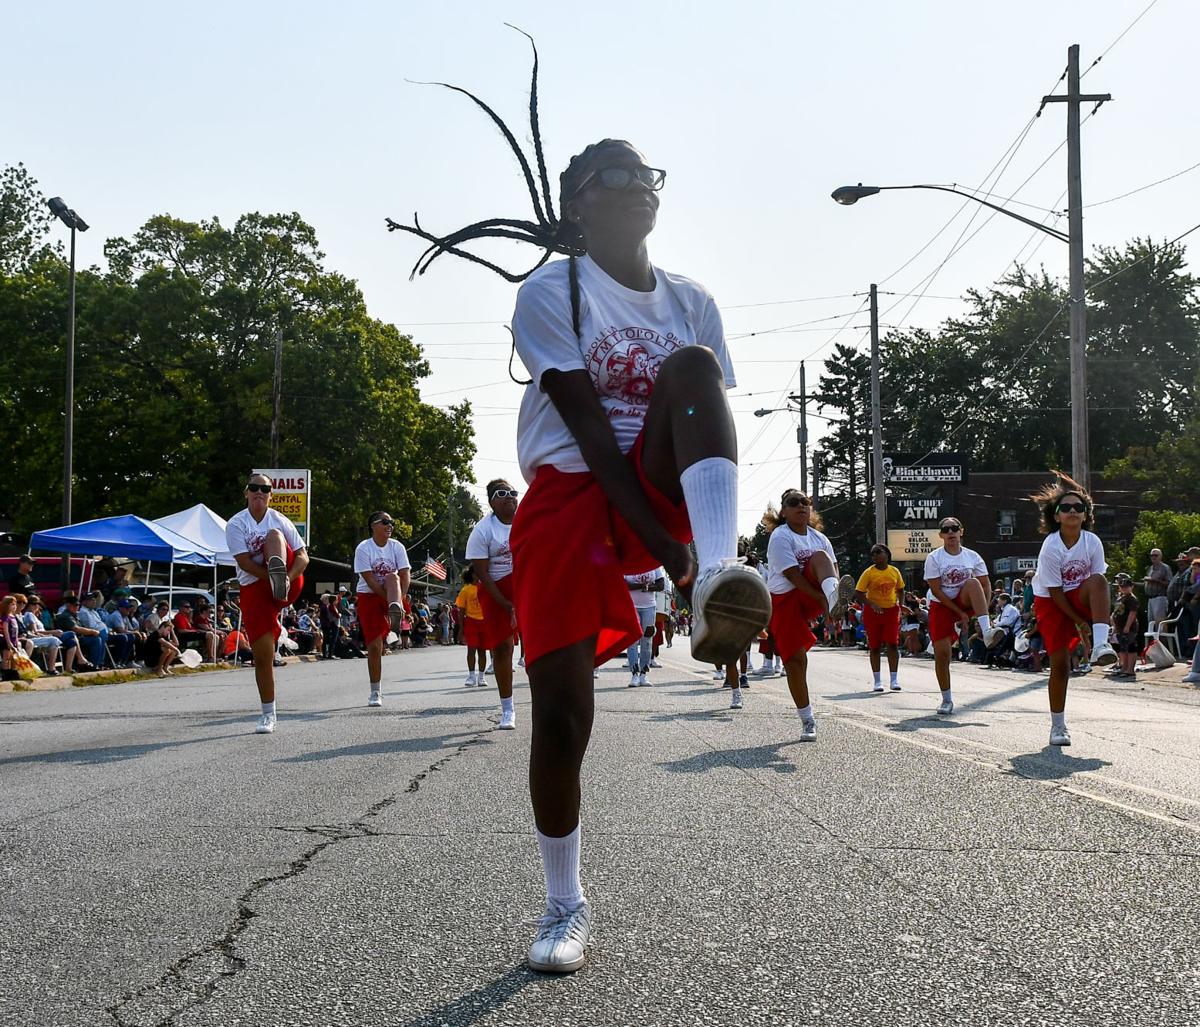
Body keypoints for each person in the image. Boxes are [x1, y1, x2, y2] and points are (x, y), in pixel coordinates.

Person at [394, 71, 783, 970]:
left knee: (689, 368)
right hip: (574, 487)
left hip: (653, 476)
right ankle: (562, 903)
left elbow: (702, 426)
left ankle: (726, 573)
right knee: (563, 713)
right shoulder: (551, 291)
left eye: (649, 172)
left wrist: (701, 558)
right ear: (579, 202)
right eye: (616, 173)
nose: (639, 183)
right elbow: (585, 430)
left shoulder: (692, 300)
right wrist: (666, 557)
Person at [1029, 473, 1116, 747]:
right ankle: (1058, 726)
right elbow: (1055, 593)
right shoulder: (1051, 547)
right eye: (1066, 507)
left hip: (1077, 595)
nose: (1073, 511)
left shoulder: (1092, 542)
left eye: (1079, 507)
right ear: (1056, 516)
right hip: (1052, 602)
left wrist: (1096, 623)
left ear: (1085, 514)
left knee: (1100, 579)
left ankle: (1102, 645)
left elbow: (1097, 588)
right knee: (1060, 664)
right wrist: (1081, 623)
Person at [225, 473, 309, 734]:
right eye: (254, 487)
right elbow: (244, 563)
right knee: (262, 655)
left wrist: (284, 580)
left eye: (265, 488)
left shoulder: (280, 520)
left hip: (288, 579)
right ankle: (268, 713)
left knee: (274, 535)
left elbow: (304, 557)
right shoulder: (236, 524)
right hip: (255, 586)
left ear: (271, 494)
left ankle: (279, 575)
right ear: (246, 492)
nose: (259, 492)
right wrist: (270, 580)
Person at [761, 489, 852, 726]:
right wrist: (821, 600)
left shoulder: (819, 538)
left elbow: (832, 568)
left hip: (812, 593)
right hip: (786, 598)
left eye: (805, 501)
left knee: (821, 557)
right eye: (794, 502)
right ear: (783, 511)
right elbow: (792, 575)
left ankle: (835, 600)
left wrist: (831, 600)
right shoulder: (781, 536)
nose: (801, 505)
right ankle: (807, 718)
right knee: (796, 661)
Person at [922, 517, 1003, 716]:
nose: (951, 532)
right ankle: (946, 699)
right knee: (943, 655)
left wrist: (981, 614)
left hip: (964, 599)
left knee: (974, 583)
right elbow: (937, 590)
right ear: (941, 535)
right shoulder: (934, 558)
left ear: (961, 531)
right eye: (946, 529)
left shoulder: (972, 556)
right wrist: (958, 614)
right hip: (942, 604)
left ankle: (987, 633)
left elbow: (985, 585)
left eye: (954, 528)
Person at [466, 481, 520, 730]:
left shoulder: (527, 520)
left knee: (542, 646)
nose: (509, 497)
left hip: (526, 583)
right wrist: (506, 603)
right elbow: (483, 575)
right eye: (501, 494)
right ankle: (507, 708)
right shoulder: (483, 530)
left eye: (512, 493)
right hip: (496, 589)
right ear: (491, 502)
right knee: (502, 648)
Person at [352, 511, 412, 707]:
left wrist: (399, 600)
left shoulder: (397, 547)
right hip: (369, 595)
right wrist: (387, 599)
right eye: (385, 522)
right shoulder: (364, 548)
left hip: (393, 592)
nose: (390, 526)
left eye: (392, 523)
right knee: (375, 646)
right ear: (373, 526)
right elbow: (369, 580)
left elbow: (405, 575)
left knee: (392, 577)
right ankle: (375, 691)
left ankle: (395, 612)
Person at [854, 544, 905, 693]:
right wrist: (871, 604)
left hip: (891, 611)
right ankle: (877, 681)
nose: (875, 556)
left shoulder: (894, 571)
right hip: (873, 612)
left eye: (878, 552)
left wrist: (900, 606)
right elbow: (859, 592)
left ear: (887, 554)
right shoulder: (869, 572)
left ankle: (894, 679)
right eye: (873, 554)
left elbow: (900, 590)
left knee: (892, 644)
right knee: (875, 646)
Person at [624, 567, 664, 687]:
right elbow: (624, 585)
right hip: (632, 606)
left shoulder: (653, 565)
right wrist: (645, 586)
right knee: (632, 641)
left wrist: (644, 586)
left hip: (649, 606)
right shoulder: (629, 563)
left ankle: (643, 674)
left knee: (647, 640)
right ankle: (634, 674)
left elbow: (661, 585)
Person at [455, 565, 488, 687]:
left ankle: (481, 677)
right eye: (477, 573)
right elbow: (461, 610)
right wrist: (461, 629)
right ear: (472, 574)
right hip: (471, 621)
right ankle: (471, 676)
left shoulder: (485, 588)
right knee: (471, 650)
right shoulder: (465, 590)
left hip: (484, 622)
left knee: (482, 651)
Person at [1110, 573, 1140, 680]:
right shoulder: (1121, 598)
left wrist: (1127, 626)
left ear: (1131, 587)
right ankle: (1124, 667)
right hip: (1119, 627)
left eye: (1126, 586)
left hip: (1129, 627)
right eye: (1122, 587)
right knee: (1122, 648)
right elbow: (1115, 613)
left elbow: (1132, 613)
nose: (1124, 588)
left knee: (1130, 647)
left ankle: (1130, 670)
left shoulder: (1132, 599)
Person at [1142, 548, 1171, 628]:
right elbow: (1146, 583)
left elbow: (1169, 583)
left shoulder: (1165, 568)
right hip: (1150, 599)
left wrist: (1154, 580)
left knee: (1160, 625)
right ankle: (1153, 640)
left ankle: (1162, 640)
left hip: (1160, 598)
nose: (1153, 557)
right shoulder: (1150, 568)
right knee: (1151, 624)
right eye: (1152, 555)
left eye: (1156, 555)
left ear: (1160, 556)